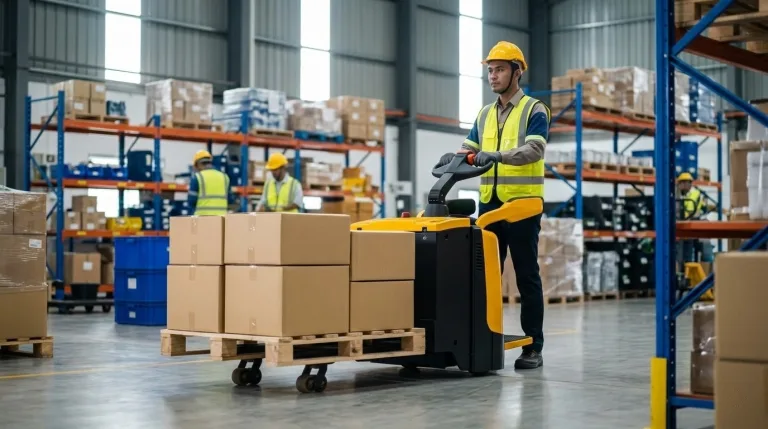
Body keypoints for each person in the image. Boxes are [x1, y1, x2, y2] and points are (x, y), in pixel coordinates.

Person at [436, 41, 551, 370]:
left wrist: (496, 156)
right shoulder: (485, 114)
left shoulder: (534, 109)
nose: (493, 76)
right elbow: (469, 148)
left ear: (517, 72)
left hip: (522, 206)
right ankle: (481, 340)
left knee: (527, 277)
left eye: (499, 69)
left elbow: (534, 150)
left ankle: (533, 347)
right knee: (483, 276)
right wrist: (453, 158)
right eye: (490, 70)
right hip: (490, 206)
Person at [187, 150, 231, 216]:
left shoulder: (197, 177)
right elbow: (230, 200)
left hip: (202, 219)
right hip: (221, 219)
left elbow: (191, 201)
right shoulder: (225, 177)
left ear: (198, 164)